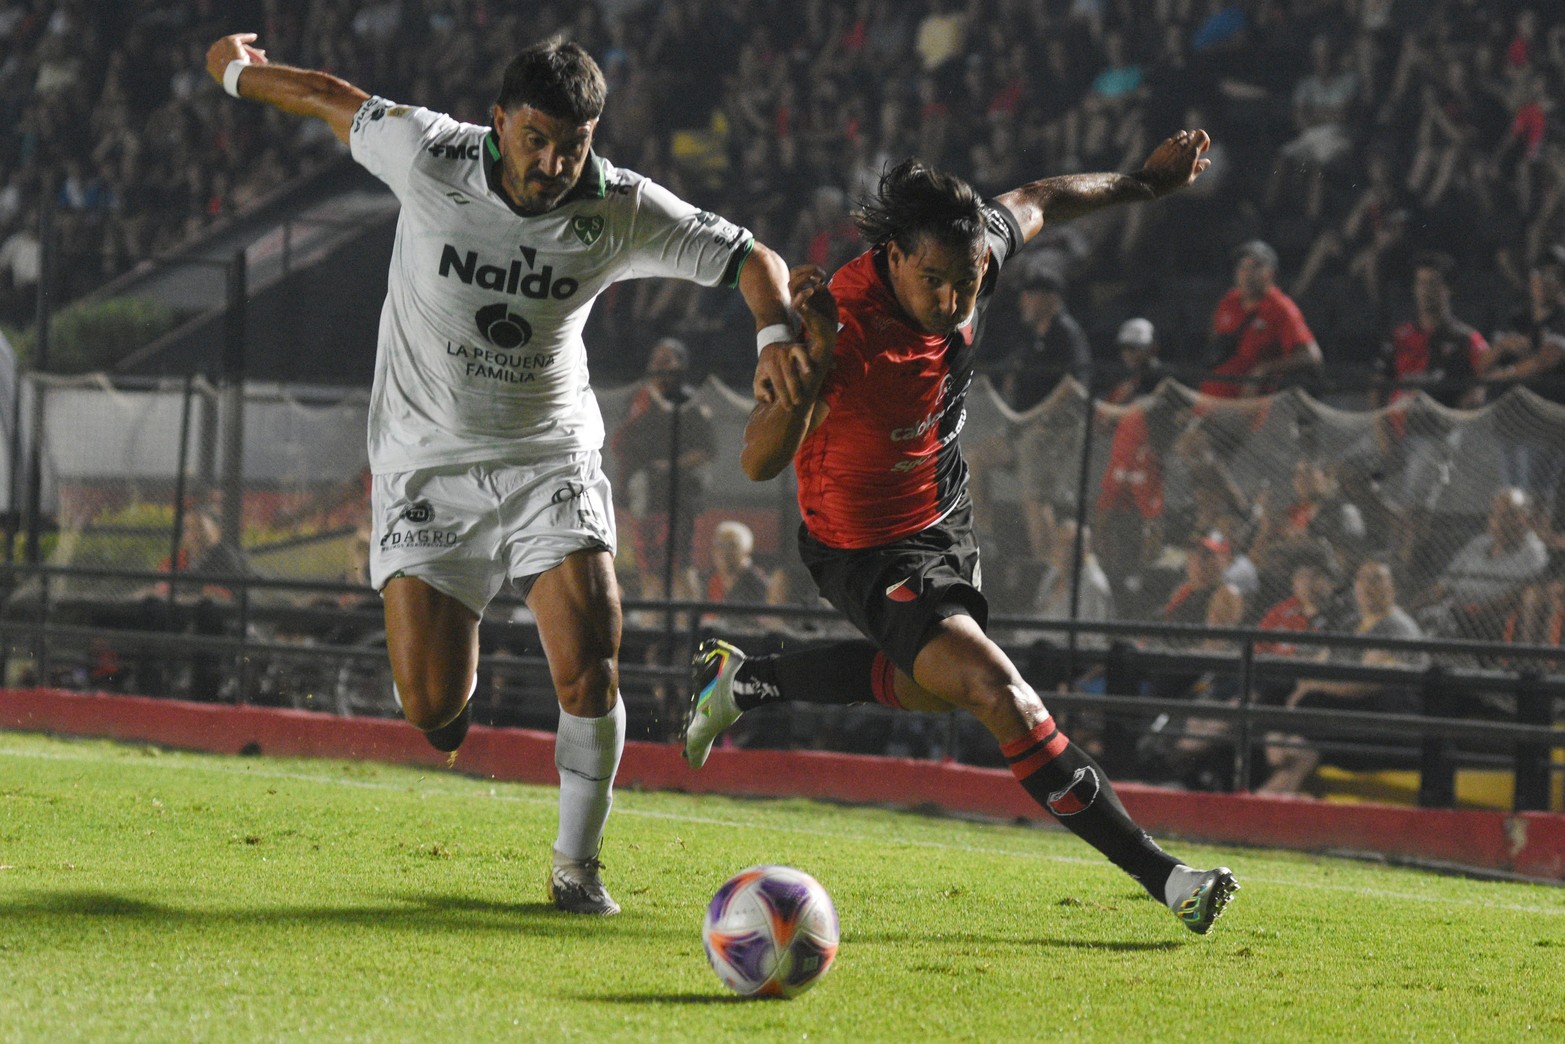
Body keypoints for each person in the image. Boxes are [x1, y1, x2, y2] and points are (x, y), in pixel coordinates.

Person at [205, 32, 808, 915]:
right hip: (425, 468)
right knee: (435, 713)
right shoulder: (428, 152)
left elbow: (754, 260)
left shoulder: (619, 207)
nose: (556, 162)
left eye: (575, 143)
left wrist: (775, 338)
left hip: (547, 461)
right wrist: (234, 69)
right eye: (538, 139)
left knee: (593, 657)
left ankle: (576, 869)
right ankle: (459, 654)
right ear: (497, 123)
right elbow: (330, 97)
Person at [683, 131, 1238, 933]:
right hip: (859, 543)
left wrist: (1143, 187)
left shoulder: (975, 248)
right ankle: (1167, 879)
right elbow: (760, 458)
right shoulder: (835, 317)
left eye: (966, 280)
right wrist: (819, 359)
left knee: (927, 687)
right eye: (934, 281)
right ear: (895, 257)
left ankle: (740, 684)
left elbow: (1043, 197)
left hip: (941, 518)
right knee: (996, 692)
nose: (951, 300)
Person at [1258, 560, 1425, 796]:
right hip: (1343, 710)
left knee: (1313, 705)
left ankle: (1278, 770)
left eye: (1376, 579)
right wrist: (1304, 683)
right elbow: (1321, 661)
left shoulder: (1395, 627)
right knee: (1275, 688)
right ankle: (1278, 766)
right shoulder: (1352, 623)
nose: (1367, 586)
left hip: (1386, 718)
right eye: (1361, 579)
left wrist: (1313, 686)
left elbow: (1364, 684)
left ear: (1393, 588)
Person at [609, 337, 715, 596]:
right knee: (648, 568)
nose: (659, 363)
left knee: (681, 565)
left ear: (680, 364)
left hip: (677, 498)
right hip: (644, 496)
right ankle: (652, 626)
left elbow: (706, 451)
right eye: (656, 357)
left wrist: (669, 466)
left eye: (667, 358)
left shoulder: (690, 403)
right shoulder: (639, 399)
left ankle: (688, 626)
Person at [1199, 240, 1323, 399]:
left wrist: (1263, 369)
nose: (1247, 273)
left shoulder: (1281, 307)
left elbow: (1312, 356)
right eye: (1242, 267)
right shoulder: (1228, 301)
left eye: (1256, 267)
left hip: (1252, 404)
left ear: (1271, 273)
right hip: (1210, 398)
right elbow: (1215, 341)